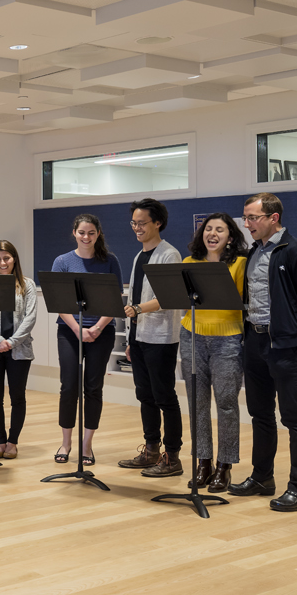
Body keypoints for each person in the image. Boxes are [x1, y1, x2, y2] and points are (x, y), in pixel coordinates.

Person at [232, 193, 297, 512]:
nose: (247, 224)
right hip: (254, 341)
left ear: (273, 218)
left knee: (293, 417)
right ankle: (262, 477)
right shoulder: (253, 252)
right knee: (260, 414)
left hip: (285, 343)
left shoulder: (296, 252)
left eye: (252, 218)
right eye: (245, 218)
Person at [178, 213, 249, 493]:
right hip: (191, 335)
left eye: (220, 230)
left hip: (228, 339)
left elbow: (244, 302)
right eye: (208, 229)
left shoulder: (240, 263)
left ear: (230, 237)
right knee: (197, 404)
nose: (213, 234)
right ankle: (203, 463)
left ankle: (225, 466)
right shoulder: (188, 263)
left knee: (227, 403)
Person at [117, 198, 184, 478]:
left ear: (158, 223)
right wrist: (130, 340)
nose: (137, 228)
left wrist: (137, 309)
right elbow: (133, 295)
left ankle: (172, 457)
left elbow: (168, 298)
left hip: (162, 338)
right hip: (140, 336)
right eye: (134, 223)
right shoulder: (138, 255)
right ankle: (151, 449)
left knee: (164, 397)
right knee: (144, 395)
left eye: (142, 223)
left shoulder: (170, 255)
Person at [50, 214, 122, 467]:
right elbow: (59, 303)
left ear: (98, 233)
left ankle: (87, 444)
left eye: (91, 233)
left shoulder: (109, 261)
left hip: (102, 332)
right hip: (70, 331)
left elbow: (115, 300)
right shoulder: (63, 262)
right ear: (74, 233)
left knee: (93, 388)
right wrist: (79, 329)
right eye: (82, 232)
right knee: (69, 387)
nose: (86, 237)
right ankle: (66, 443)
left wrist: (98, 328)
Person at [0, 240, 39, 459]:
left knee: (17, 397)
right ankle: (0, 441)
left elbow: (30, 317)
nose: (2, 263)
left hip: (18, 350)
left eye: (6, 258)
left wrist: (11, 342)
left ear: (14, 259)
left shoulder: (26, 284)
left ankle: (13, 442)